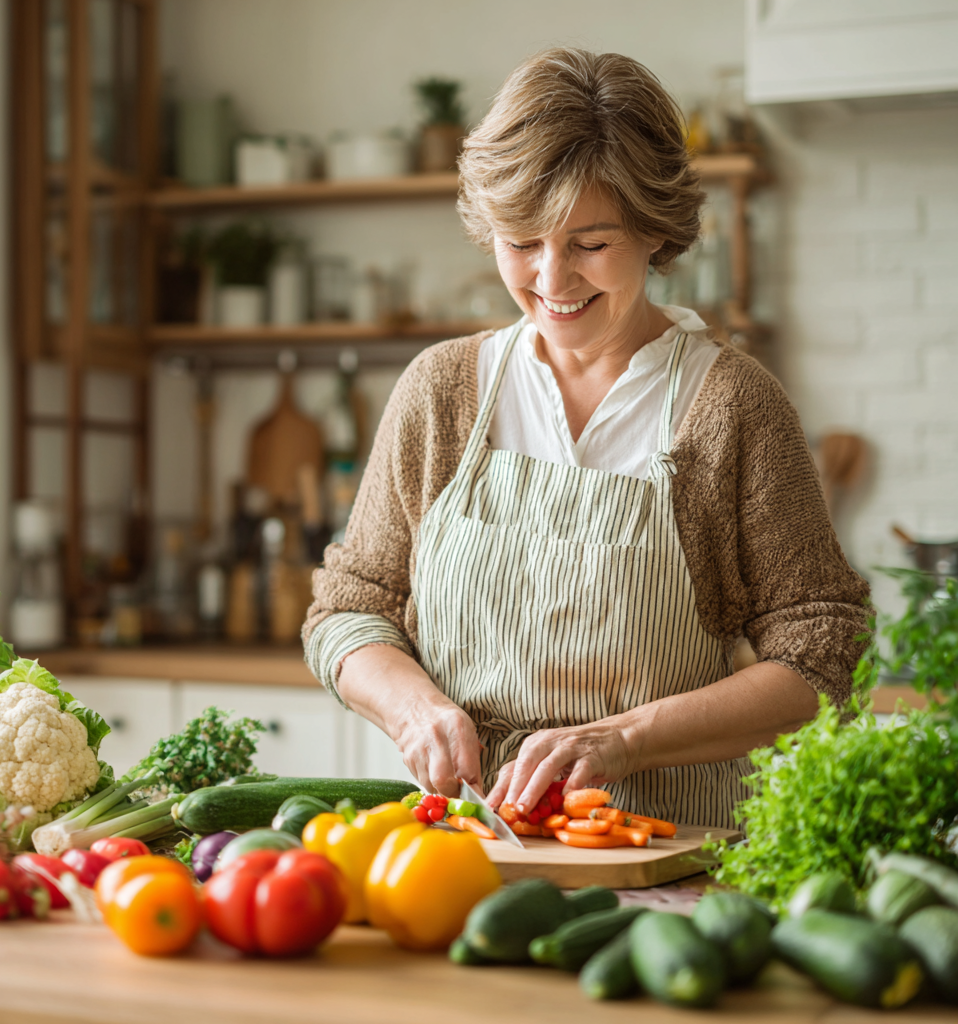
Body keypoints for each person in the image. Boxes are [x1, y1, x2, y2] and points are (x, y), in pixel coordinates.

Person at [303, 47, 868, 829]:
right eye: (522, 241)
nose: (553, 279)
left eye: (591, 244)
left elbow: (822, 653)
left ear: (653, 231)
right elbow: (348, 608)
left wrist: (626, 740)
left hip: (668, 866)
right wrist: (414, 708)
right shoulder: (442, 391)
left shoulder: (733, 407)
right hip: (462, 856)